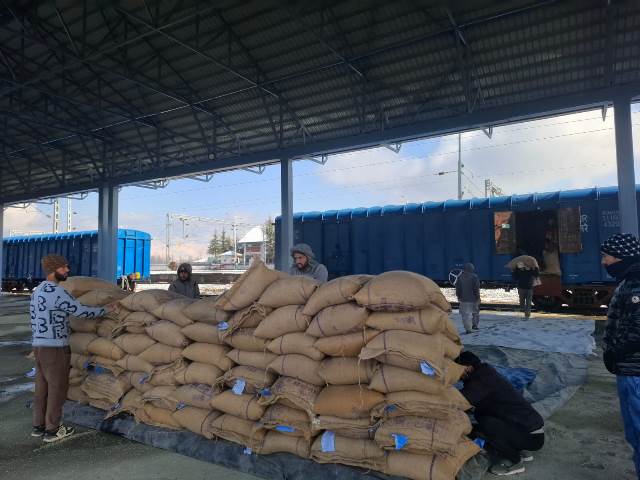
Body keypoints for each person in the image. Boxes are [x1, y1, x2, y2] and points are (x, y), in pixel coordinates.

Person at [30, 254, 114, 443]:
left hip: (39, 345)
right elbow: (81, 311)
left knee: (42, 387)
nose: (67, 270)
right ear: (53, 270)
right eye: (63, 267)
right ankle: (52, 430)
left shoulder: (38, 290)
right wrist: (107, 310)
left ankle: (38, 426)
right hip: (55, 348)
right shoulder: (57, 292)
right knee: (57, 388)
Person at [456, 351, 544, 476]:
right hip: (528, 430)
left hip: (532, 438)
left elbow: (458, 401)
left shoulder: (480, 380)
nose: (456, 375)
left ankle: (514, 461)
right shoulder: (484, 372)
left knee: (487, 425)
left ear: (468, 368)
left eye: (456, 369)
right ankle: (520, 449)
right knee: (480, 415)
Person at [600, 233, 640, 478]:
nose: (604, 262)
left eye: (607, 256)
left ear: (621, 258)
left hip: (634, 370)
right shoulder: (630, 281)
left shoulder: (635, 285)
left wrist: (615, 353)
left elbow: (637, 329)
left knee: (638, 430)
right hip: (630, 368)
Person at [456, 263, 481, 334]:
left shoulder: (460, 277)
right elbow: (476, 289)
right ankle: (475, 325)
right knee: (475, 312)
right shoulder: (474, 277)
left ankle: (468, 329)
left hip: (463, 299)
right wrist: (478, 297)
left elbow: (458, 288)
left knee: (465, 315)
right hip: (473, 299)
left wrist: (459, 296)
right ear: (472, 269)